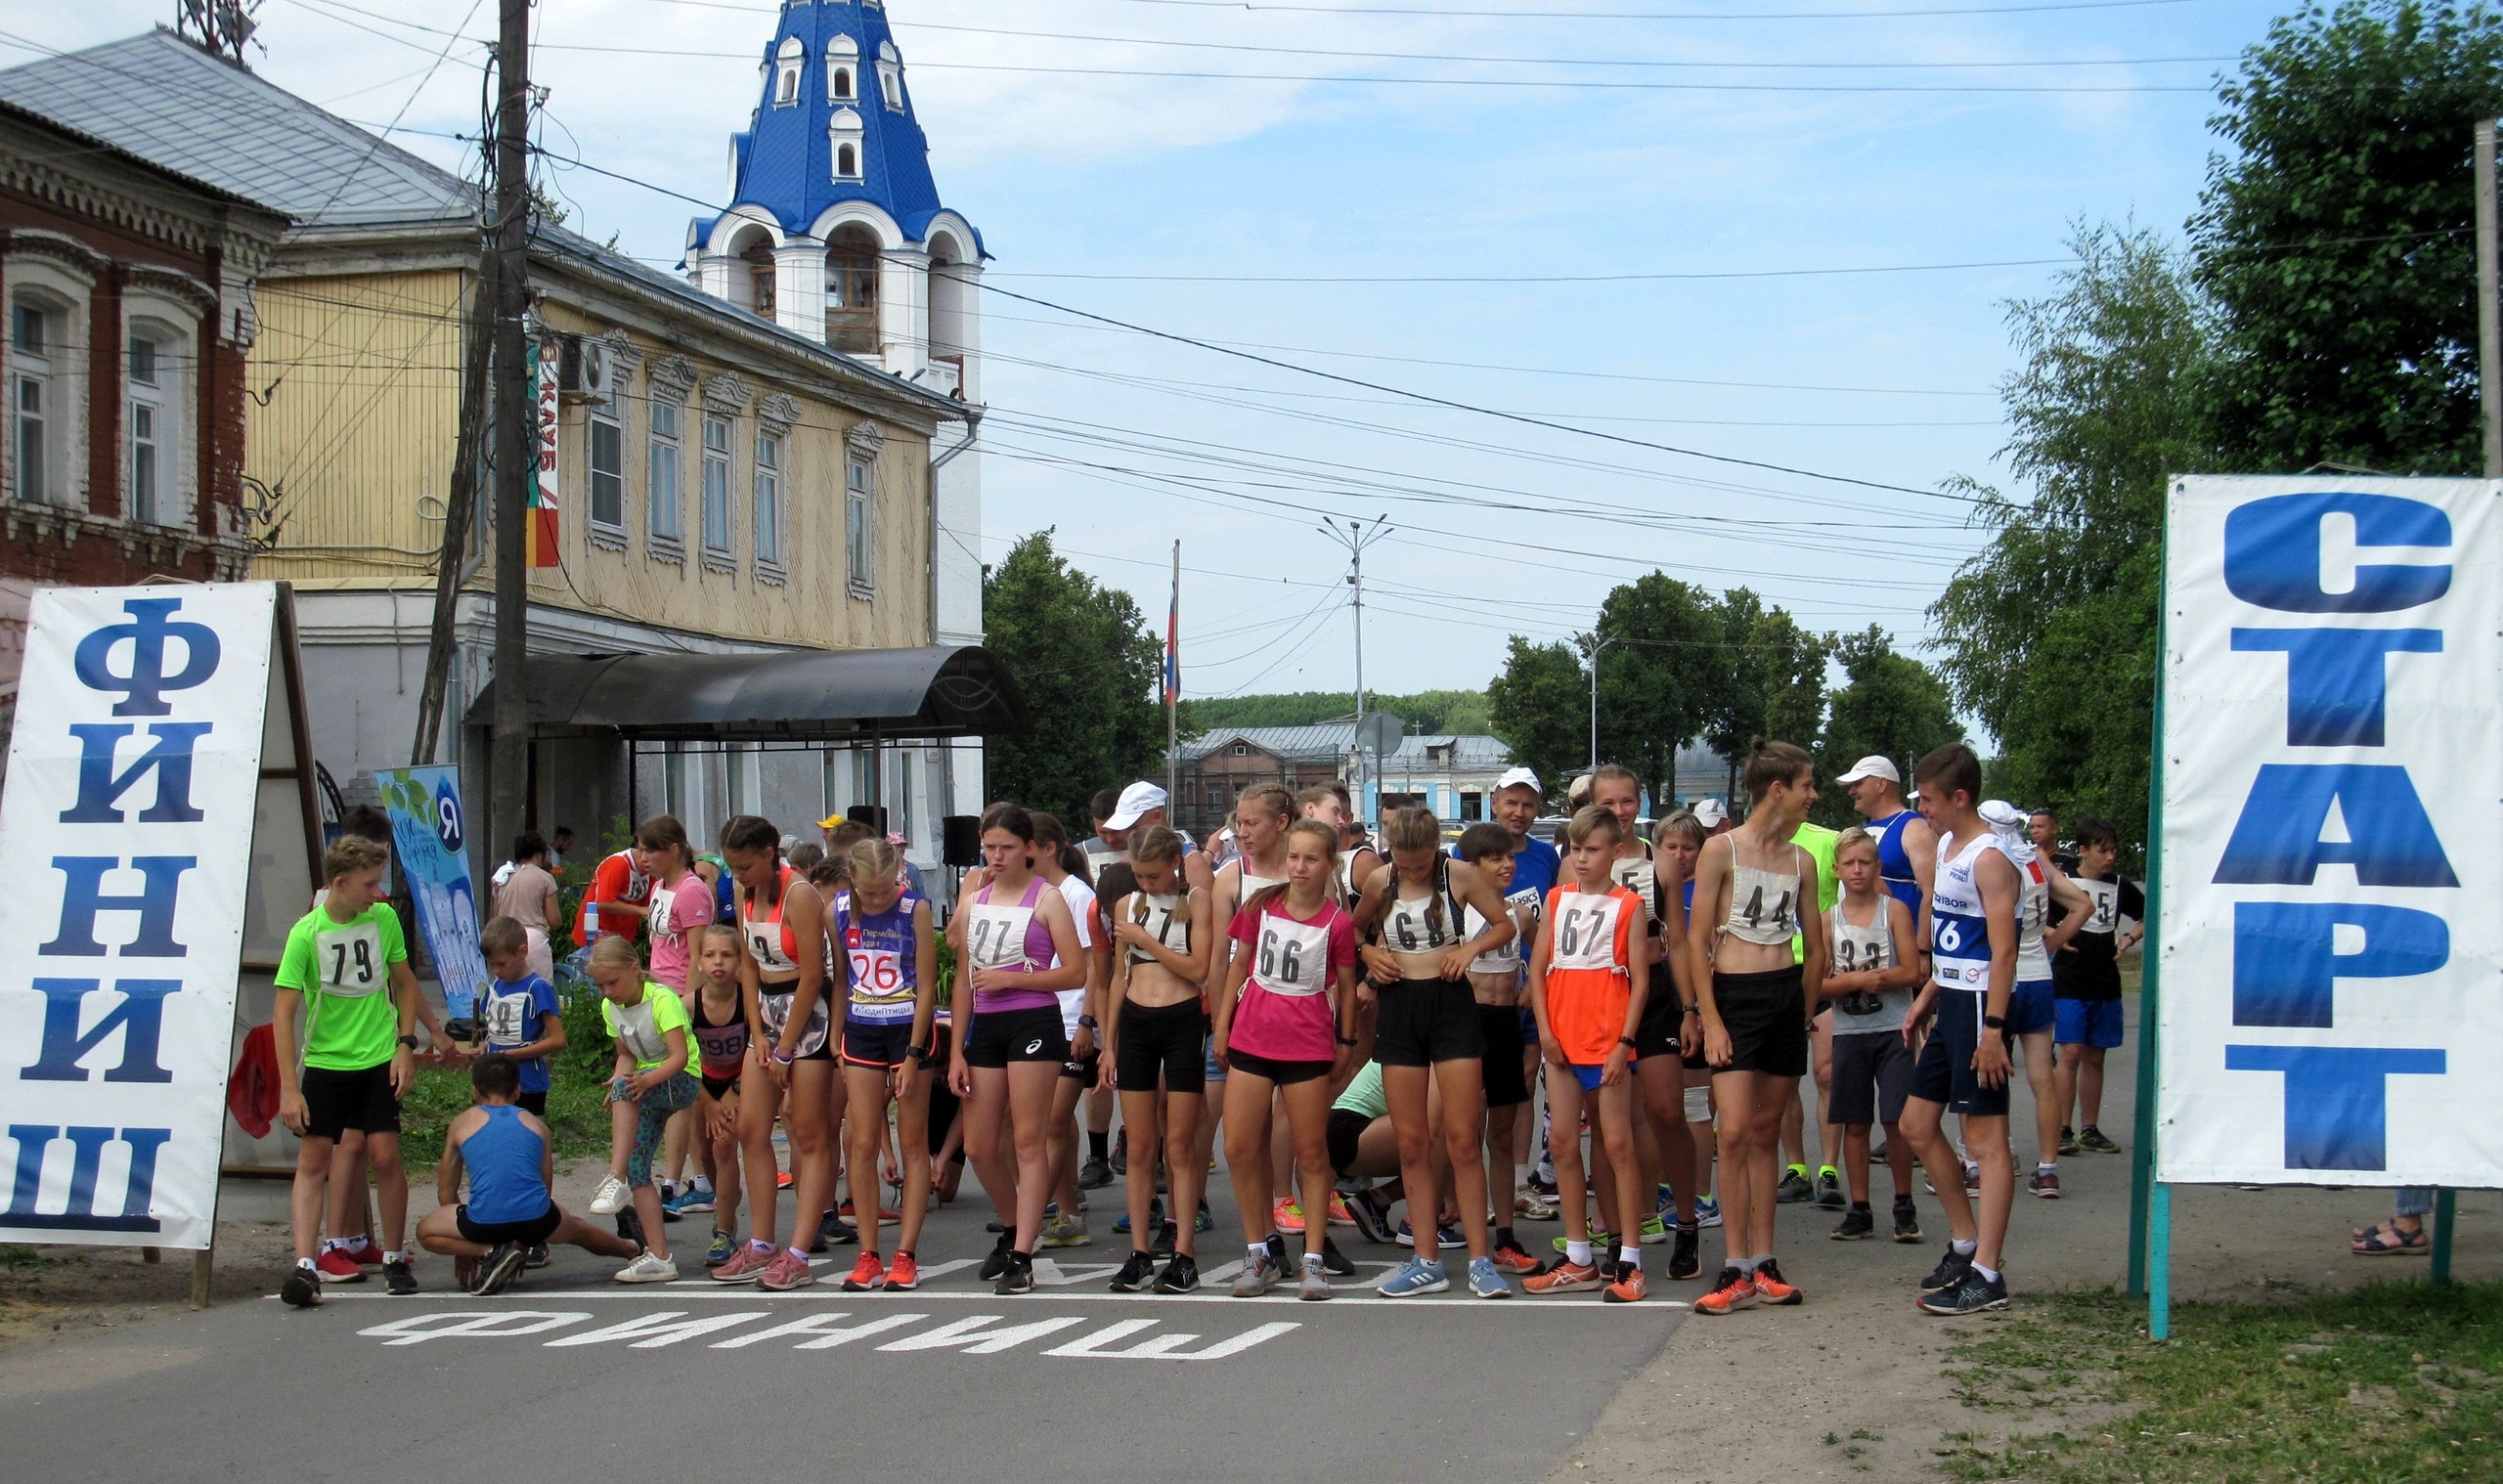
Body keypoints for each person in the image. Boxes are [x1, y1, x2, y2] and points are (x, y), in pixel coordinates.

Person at [1351, 807, 1518, 1298]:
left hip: (1450, 1005)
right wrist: (1370, 956)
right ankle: (1425, 1259)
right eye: (1405, 864)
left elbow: (1504, 925)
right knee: (1411, 1143)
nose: (1413, 872)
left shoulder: (1459, 874)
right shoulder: (1381, 879)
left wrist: (1470, 950)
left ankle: (1479, 1259)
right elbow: (1350, 929)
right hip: (1401, 1005)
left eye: (1421, 864)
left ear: (1435, 852)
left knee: (1463, 1139)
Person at [1686, 738, 1827, 1316]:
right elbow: (1696, 940)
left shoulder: (1803, 860)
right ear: (1778, 789)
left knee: (1767, 1133)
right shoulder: (1721, 849)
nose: (1813, 796)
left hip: (1782, 996)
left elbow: (1815, 948)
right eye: (1807, 786)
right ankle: (1734, 1264)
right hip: (1733, 997)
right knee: (1736, 1131)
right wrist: (1710, 1016)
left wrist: (1804, 1010)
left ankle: (1764, 1263)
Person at [1212, 817, 1360, 1300]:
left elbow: (1345, 985)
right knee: (1238, 1146)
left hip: (1307, 1044)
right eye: (1294, 856)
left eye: (1311, 859)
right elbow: (1239, 963)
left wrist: (1346, 1042)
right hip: (1253, 1038)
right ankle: (1260, 1252)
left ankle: (1313, 1260)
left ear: (1329, 866)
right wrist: (1221, 1023)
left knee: (1311, 1152)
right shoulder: (1261, 904)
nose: (1299, 867)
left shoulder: (1337, 922)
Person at [275, 836, 424, 1307]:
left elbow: (404, 984)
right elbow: (283, 1014)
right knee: (314, 1160)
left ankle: (395, 1256)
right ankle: (306, 1263)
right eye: (368, 884)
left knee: (384, 1153)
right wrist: (289, 1088)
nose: (377, 893)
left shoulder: (383, 921)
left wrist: (406, 1045)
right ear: (340, 884)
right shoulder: (307, 933)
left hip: (378, 1056)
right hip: (326, 1061)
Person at [1903, 743, 2023, 1315]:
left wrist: (1995, 1029)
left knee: (1985, 1142)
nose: (1921, 808)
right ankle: (1965, 1242)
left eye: (1927, 799)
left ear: (1959, 798)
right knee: (1916, 1125)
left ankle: (1988, 1274)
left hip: (1980, 1005)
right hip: (1951, 997)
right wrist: (1927, 995)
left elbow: (2003, 953)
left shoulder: (1990, 859)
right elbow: (1955, 936)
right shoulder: (1950, 845)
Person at [949, 804, 1088, 1295]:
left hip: (1033, 1018)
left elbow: (1076, 972)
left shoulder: (1047, 899)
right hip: (985, 1026)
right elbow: (964, 977)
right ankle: (1013, 1228)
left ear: (1030, 849)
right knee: (980, 1144)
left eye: (1007, 847)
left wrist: (1014, 976)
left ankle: (1024, 1254)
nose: (997, 856)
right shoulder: (975, 899)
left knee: (1028, 1140)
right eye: (989, 847)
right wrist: (956, 1051)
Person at [1522, 805, 1651, 1303]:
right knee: (1561, 1144)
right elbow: (1537, 972)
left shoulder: (1628, 905)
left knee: (1617, 1145)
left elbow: (1640, 981)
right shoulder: (1556, 899)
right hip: (1562, 1042)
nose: (1581, 858)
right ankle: (1579, 1257)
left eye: (1592, 849)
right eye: (1575, 849)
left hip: (1607, 1042)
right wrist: (1548, 1032)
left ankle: (1631, 1258)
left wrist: (1624, 1042)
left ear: (1615, 853)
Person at [712, 814, 839, 1291]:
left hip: (807, 1017)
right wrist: (758, 1033)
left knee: (809, 1135)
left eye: (743, 866)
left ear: (769, 854)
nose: (737, 876)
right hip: (766, 1013)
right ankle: (761, 1242)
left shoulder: (799, 894)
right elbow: (748, 965)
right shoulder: (746, 894)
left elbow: (811, 975)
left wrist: (787, 1047)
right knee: (750, 1128)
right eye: (731, 868)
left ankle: (800, 1251)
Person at [416, 1054, 642, 1295]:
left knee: (425, 1230)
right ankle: (632, 1249)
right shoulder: (537, 1126)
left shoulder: (461, 1124)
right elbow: (544, 1190)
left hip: (483, 1226)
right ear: (517, 1090)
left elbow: (446, 1190)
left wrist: (464, 1248)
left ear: (475, 1091)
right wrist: (524, 1244)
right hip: (537, 1219)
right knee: (577, 1229)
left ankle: (489, 1252)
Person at [1102, 824, 1215, 1292]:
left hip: (1182, 1019)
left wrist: (1147, 941)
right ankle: (1140, 1252)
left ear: (1174, 864)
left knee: (1180, 1146)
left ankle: (1184, 1252)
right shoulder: (1126, 905)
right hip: (1136, 1022)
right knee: (1141, 1145)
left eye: (1152, 876)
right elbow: (1115, 977)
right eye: (1139, 876)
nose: (1145, 885)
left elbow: (1199, 969)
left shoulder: (1199, 902)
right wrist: (1108, 1043)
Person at [829, 835, 941, 1292]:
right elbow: (840, 978)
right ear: (852, 880)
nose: (875, 899)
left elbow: (928, 987)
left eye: (882, 890)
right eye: (866, 892)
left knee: (912, 1143)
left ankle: (906, 1253)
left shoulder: (915, 908)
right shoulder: (837, 909)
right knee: (861, 1140)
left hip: (907, 1029)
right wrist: (837, 1040)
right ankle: (868, 1252)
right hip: (860, 1027)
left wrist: (913, 1055)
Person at [1198, 784, 1297, 1230]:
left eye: (1251, 822)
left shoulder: (1307, 871)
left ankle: (1289, 1201)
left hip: (1299, 1012)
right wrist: (1221, 1022)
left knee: (1299, 1123)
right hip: (1246, 1013)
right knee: (1240, 1129)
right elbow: (1220, 958)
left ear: (1281, 823)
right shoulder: (1231, 877)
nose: (1241, 832)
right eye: (1238, 823)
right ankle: (1253, 1225)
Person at [1818, 829, 1924, 1243]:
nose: (1858, 870)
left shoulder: (1893, 911)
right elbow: (1819, 986)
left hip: (1892, 1028)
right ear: (1837, 870)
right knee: (1855, 1122)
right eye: (1850, 864)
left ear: (1877, 868)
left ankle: (1903, 1203)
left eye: (1865, 863)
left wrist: (1873, 978)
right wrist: (1855, 982)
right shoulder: (1830, 918)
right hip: (1849, 1031)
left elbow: (1912, 972)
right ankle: (1859, 1207)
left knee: (1896, 1120)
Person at [1981, 799, 2089, 1199]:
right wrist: (2051, 944)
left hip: (2001, 977)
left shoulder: (1991, 859)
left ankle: (1991, 1160)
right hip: (2038, 975)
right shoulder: (2035, 859)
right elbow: (2083, 904)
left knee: (1991, 1071)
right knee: (2043, 1075)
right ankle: (2047, 1168)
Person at [581, 935, 699, 1283]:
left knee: (626, 1089)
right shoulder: (609, 1008)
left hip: (682, 1079)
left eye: (612, 982)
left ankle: (614, 1178)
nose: (607, 991)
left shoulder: (662, 999)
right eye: (600, 984)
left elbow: (679, 1057)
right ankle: (660, 1257)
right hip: (647, 1081)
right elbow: (626, 1055)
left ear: (635, 970)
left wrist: (637, 1083)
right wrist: (619, 1083)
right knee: (640, 1168)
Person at [1455, 822, 1542, 1276]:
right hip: (1467, 1026)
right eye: (1495, 858)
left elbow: (1541, 952)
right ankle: (1455, 1218)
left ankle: (1506, 1234)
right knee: (1463, 1130)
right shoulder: (1458, 911)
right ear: (1472, 866)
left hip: (1506, 1021)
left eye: (1510, 857)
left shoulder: (1520, 912)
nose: (1507, 864)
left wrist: (1533, 990)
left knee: (1502, 1134)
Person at [1029, 812, 1108, 1250]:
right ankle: (1067, 1207)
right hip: (1042, 1019)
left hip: (1072, 1020)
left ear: (1047, 848)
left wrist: (1087, 1021)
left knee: (1053, 1120)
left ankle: (1055, 1208)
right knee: (1052, 1122)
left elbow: (1094, 965)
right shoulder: (1035, 893)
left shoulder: (1076, 895)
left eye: (1024, 846)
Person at [634, 815, 719, 1219]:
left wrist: (687, 1002)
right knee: (670, 1094)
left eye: (650, 849)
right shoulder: (659, 887)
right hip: (657, 993)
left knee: (682, 1091)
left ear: (672, 850)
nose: (643, 856)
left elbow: (699, 954)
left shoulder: (692, 891)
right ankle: (687, 1177)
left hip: (680, 1001)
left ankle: (683, 1179)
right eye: (641, 848)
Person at [2050, 815, 2139, 1157]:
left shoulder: (2119, 885)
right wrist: (2057, 937)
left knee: (2096, 1056)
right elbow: (2039, 919)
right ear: (2083, 850)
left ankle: (2090, 1127)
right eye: (2102, 850)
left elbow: (2151, 913)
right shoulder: (2065, 883)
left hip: (2105, 980)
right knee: (2069, 1052)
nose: (2110, 857)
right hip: (2070, 979)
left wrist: (2129, 937)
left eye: (2113, 851)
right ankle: (2061, 1126)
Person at [1652, 809, 1716, 1268]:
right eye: (1670, 847)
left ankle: (1702, 1194)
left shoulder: (1706, 887)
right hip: (1655, 998)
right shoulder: (1650, 879)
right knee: (1658, 1105)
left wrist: (1699, 1005)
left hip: (1694, 1000)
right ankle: (1666, 1189)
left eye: (1687, 848)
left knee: (1694, 1104)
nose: (1678, 855)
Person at [685, 924, 751, 1269]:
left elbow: (757, 1047)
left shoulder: (747, 1000)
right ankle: (726, 1199)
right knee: (705, 1153)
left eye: (726, 955)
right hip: (702, 1084)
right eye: (710, 955)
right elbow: (682, 1060)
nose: (718, 962)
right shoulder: (689, 1006)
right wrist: (707, 1101)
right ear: (699, 963)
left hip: (739, 1081)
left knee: (724, 1145)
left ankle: (724, 1229)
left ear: (740, 961)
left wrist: (736, 1090)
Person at [476, 916, 564, 1124]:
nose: (497, 970)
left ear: (523, 952)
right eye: (491, 965)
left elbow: (558, 1039)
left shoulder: (538, 987)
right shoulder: (496, 986)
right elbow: (492, 1030)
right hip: (495, 1079)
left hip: (528, 1081)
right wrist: (483, 1049)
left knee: (531, 1135)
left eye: (502, 963)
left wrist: (512, 1054)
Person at [1101, 781, 1215, 893]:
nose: (1127, 836)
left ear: (1157, 816)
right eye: (1123, 829)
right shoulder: (1127, 862)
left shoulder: (1194, 866)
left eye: (1133, 828)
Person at [492, 832, 564, 984]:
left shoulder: (502, 877)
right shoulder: (545, 878)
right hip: (533, 941)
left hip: (505, 939)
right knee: (540, 990)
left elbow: (497, 916)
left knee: (508, 991)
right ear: (538, 855)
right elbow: (555, 920)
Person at [575, 844, 654, 948]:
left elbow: (649, 904)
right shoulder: (618, 864)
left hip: (622, 935)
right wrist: (640, 910)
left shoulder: (650, 871)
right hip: (598, 932)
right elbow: (603, 902)